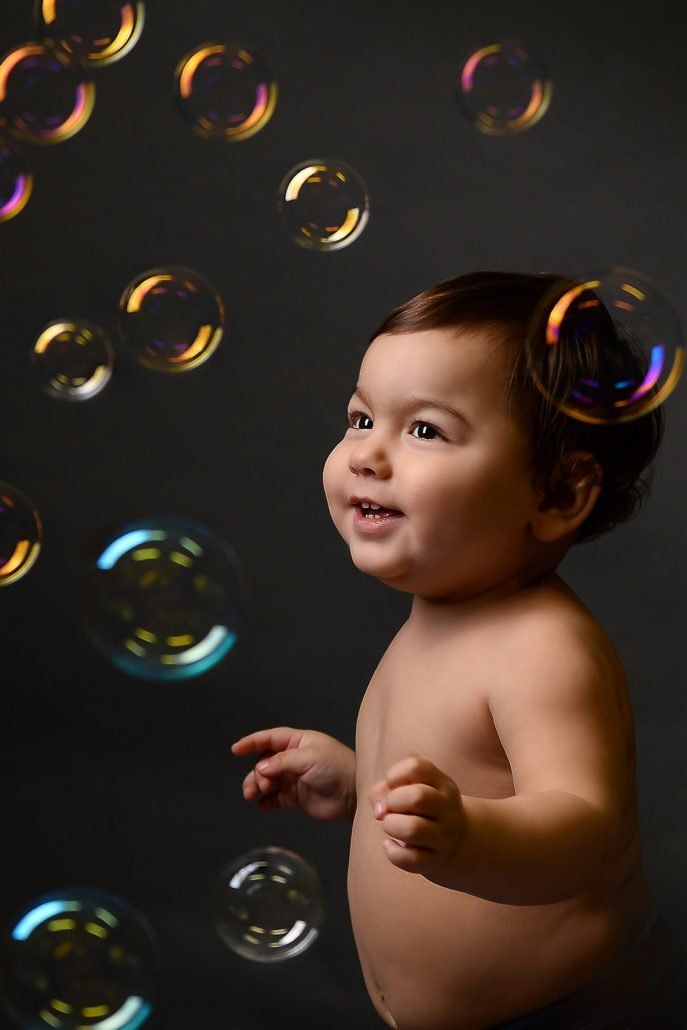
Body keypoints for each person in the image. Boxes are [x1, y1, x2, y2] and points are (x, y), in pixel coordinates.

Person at [231, 271, 684, 1028]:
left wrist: (469, 837)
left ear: (556, 496)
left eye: (424, 430)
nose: (366, 456)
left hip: (572, 1011)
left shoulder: (541, 647)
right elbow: (465, 767)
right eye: (359, 417)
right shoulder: (439, 612)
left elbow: (581, 828)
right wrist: (360, 785)